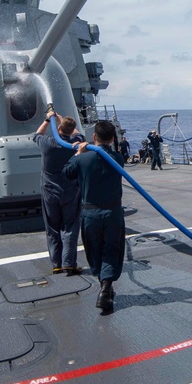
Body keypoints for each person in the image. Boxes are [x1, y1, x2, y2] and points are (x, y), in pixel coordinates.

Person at [63, 120, 127, 312]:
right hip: (113, 212)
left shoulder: (83, 159)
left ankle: (104, 284)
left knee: (94, 250)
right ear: (113, 138)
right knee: (112, 249)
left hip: (90, 213)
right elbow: (112, 154)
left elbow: (66, 173)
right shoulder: (118, 159)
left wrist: (78, 153)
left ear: (94, 137)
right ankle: (106, 285)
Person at [33, 111, 84, 275]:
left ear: (58, 128)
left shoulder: (48, 143)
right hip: (70, 190)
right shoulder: (75, 144)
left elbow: (37, 135)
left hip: (50, 191)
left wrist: (48, 119)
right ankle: (69, 263)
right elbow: (78, 135)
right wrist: (63, 120)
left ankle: (56, 264)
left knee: (52, 228)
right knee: (70, 226)